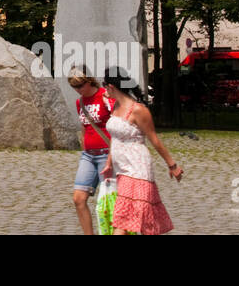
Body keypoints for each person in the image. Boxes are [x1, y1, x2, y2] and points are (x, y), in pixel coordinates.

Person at [100, 70, 182, 235]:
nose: (104, 90)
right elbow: (115, 139)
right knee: (130, 220)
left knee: (133, 220)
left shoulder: (138, 110)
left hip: (138, 169)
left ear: (111, 86)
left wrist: (172, 165)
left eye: (105, 86)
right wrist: (109, 163)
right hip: (122, 170)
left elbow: (154, 140)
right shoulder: (116, 106)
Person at [69, 72, 114, 235]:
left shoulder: (105, 96)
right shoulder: (79, 102)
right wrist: (84, 145)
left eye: (80, 85)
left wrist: (112, 155)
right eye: (74, 87)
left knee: (109, 201)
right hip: (88, 155)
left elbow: (117, 126)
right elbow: (84, 126)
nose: (78, 90)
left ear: (89, 81)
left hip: (107, 153)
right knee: (78, 199)